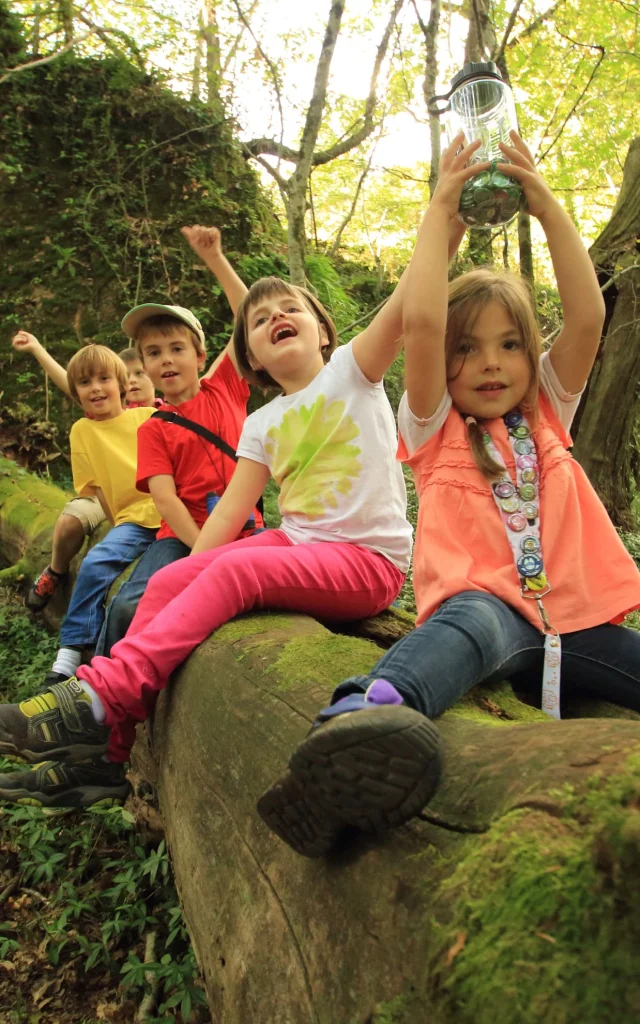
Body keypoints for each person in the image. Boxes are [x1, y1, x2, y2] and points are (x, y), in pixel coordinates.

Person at [0, 203, 471, 815]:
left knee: (235, 571)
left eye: (291, 309)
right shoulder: (261, 422)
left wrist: (447, 217)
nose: (276, 316)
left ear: (324, 332)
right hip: (298, 544)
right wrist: (187, 572)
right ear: (249, 356)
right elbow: (227, 519)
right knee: (169, 578)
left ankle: (100, 695)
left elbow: (414, 296)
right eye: (260, 319)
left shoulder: (355, 372)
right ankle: (109, 756)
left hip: (366, 562)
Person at [259, 131, 640, 854]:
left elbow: (589, 316)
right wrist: (441, 214)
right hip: (489, 611)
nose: (489, 364)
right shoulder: (434, 426)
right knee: (462, 630)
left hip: (574, 625)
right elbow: (423, 320)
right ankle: (356, 726)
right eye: (468, 349)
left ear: (532, 356)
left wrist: (546, 203)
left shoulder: (545, 412)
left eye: (508, 345)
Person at [95, 225, 263, 659]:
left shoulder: (224, 387)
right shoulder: (154, 427)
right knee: (131, 603)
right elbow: (166, 501)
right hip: (182, 536)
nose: (166, 359)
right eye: (153, 353)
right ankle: (96, 696)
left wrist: (215, 259)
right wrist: (201, 552)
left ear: (200, 356)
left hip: (248, 530)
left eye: (176, 348)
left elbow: (248, 314)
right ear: (144, 368)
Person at [32, 344, 160, 696]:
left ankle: (108, 683)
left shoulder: (146, 417)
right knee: (96, 561)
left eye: (104, 379)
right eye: (86, 382)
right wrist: (117, 523)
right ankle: (71, 650)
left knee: (145, 591)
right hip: (133, 519)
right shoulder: (82, 432)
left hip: (170, 514)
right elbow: (99, 488)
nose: (97, 388)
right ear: (76, 393)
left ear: (121, 383)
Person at [10, 331, 158, 610]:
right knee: (69, 523)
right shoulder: (98, 415)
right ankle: (55, 570)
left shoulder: (159, 414)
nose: (136, 379)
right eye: (130, 373)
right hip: (104, 490)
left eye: (141, 373)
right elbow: (72, 383)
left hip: (148, 498)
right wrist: (38, 349)